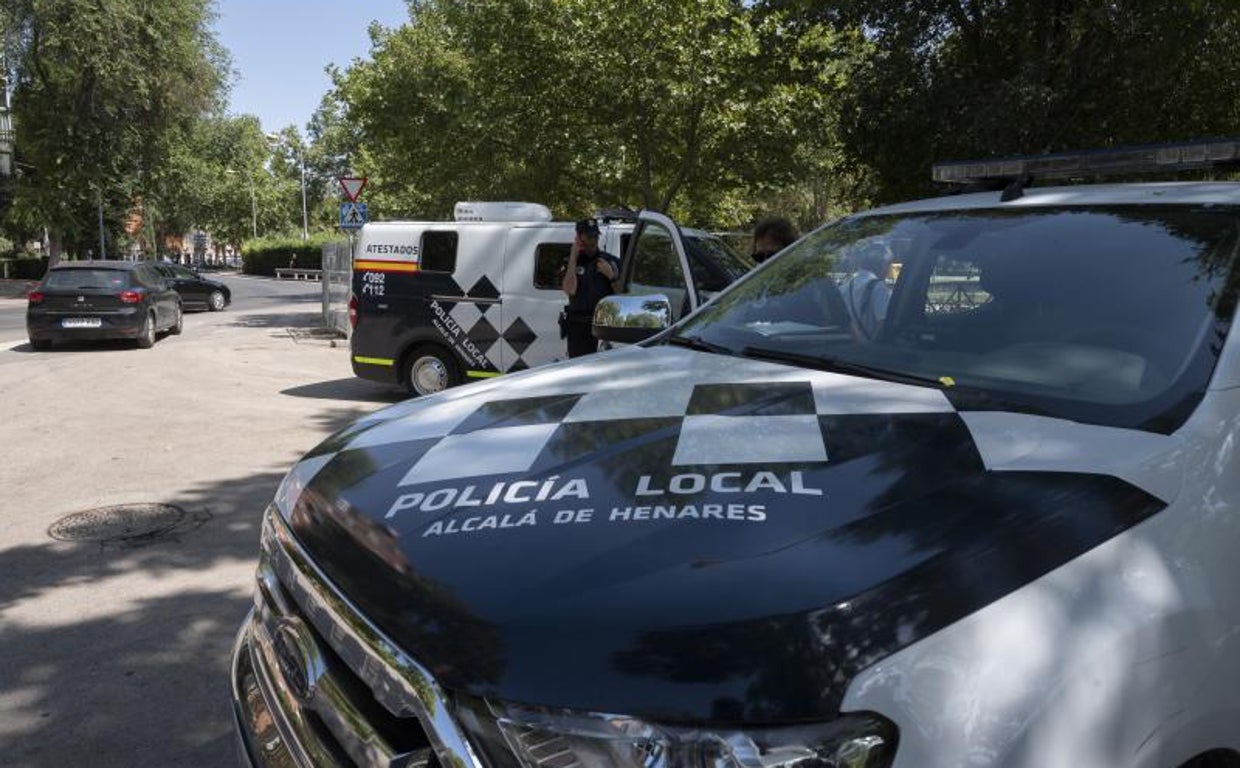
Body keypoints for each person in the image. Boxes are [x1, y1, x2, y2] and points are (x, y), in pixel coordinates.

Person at [561, 218, 621, 358]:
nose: (593, 240)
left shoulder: (610, 261)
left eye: (595, 236)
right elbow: (570, 290)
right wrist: (572, 259)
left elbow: (621, 294)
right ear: (579, 238)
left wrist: (611, 276)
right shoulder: (570, 263)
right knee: (579, 369)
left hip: (604, 326)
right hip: (578, 327)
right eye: (589, 236)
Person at [839, 240, 893, 341]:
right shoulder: (880, 287)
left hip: (849, 348)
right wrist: (871, 348)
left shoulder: (844, 286)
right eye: (889, 264)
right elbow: (882, 324)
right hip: (868, 353)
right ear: (882, 264)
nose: (889, 269)